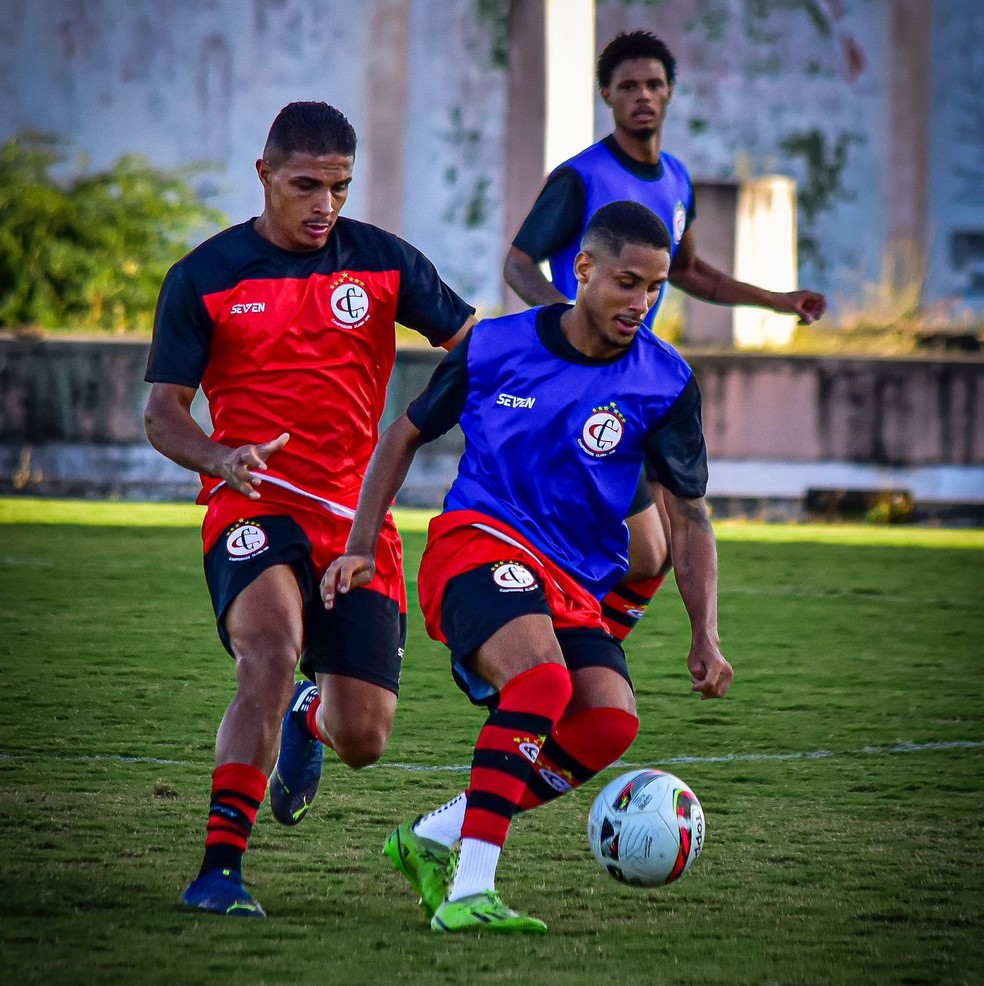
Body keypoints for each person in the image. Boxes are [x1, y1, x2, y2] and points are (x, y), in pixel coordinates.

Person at [322, 201, 733, 934]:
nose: (641, 303)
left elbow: (688, 517)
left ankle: (431, 838)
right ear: (583, 269)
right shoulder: (495, 347)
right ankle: (469, 891)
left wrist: (706, 633)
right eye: (627, 282)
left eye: (655, 287)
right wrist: (358, 543)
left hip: (572, 582)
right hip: (477, 544)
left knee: (607, 720)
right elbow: (402, 435)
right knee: (543, 682)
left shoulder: (665, 381)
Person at [143, 101, 475, 918]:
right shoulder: (205, 275)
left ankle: (311, 715)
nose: (325, 204)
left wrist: (425, 421)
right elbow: (163, 412)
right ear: (265, 175)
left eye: (340, 187)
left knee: (364, 737)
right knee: (269, 648)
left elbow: (478, 347)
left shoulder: (385, 263)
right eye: (307, 185)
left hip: (356, 523)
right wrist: (221, 458)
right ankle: (220, 869)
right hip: (250, 505)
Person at [504, 30, 827, 643]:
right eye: (628, 86)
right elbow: (519, 262)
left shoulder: (676, 179)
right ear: (607, 95)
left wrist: (777, 301)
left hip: (639, 380)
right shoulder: (580, 177)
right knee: (640, 544)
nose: (642, 96)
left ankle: (577, 653)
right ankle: (548, 646)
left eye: (653, 84)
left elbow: (688, 271)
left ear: (671, 92)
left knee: (652, 550)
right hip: (584, 381)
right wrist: (566, 329)